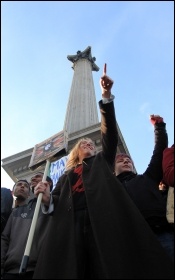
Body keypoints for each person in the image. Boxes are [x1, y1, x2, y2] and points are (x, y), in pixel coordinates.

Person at [33, 64, 173, 279]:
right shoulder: (66, 176)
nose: (89, 144)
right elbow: (56, 202)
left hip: (100, 219)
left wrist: (106, 97)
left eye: (91, 142)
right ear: (76, 152)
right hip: (70, 226)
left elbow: (109, 136)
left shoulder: (102, 161)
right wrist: (45, 198)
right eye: (84, 143)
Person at [114, 115, 174, 263]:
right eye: (120, 160)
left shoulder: (146, 178)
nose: (126, 161)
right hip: (132, 243)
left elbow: (159, 153)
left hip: (162, 233)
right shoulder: (110, 189)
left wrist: (159, 128)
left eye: (128, 160)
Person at [1, 174, 53, 279]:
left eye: (26, 185)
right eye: (19, 184)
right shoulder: (14, 212)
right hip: (10, 271)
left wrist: (47, 200)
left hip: (37, 269)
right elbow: (4, 239)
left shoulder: (46, 207)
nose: (22, 186)